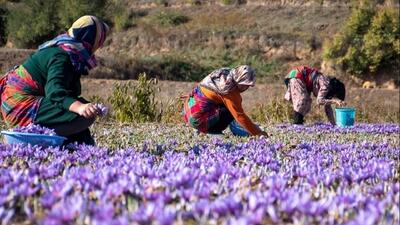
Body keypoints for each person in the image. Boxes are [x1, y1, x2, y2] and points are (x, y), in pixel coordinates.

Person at [0, 15, 109, 145]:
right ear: (91, 41)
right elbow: (55, 92)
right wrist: (80, 108)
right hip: (20, 106)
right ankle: (34, 137)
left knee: (81, 110)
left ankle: (76, 144)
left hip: (19, 103)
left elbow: (67, 93)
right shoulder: (61, 56)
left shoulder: (68, 51)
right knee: (83, 116)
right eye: (99, 41)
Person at [182, 65, 268, 136]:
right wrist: (258, 133)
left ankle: (201, 128)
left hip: (188, 110)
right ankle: (211, 132)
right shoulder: (229, 90)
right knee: (230, 111)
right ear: (239, 80)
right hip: (197, 120)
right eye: (245, 85)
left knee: (226, 106)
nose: (247, 88)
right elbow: (240, 116)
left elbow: (203, 83)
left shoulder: (224, 73)